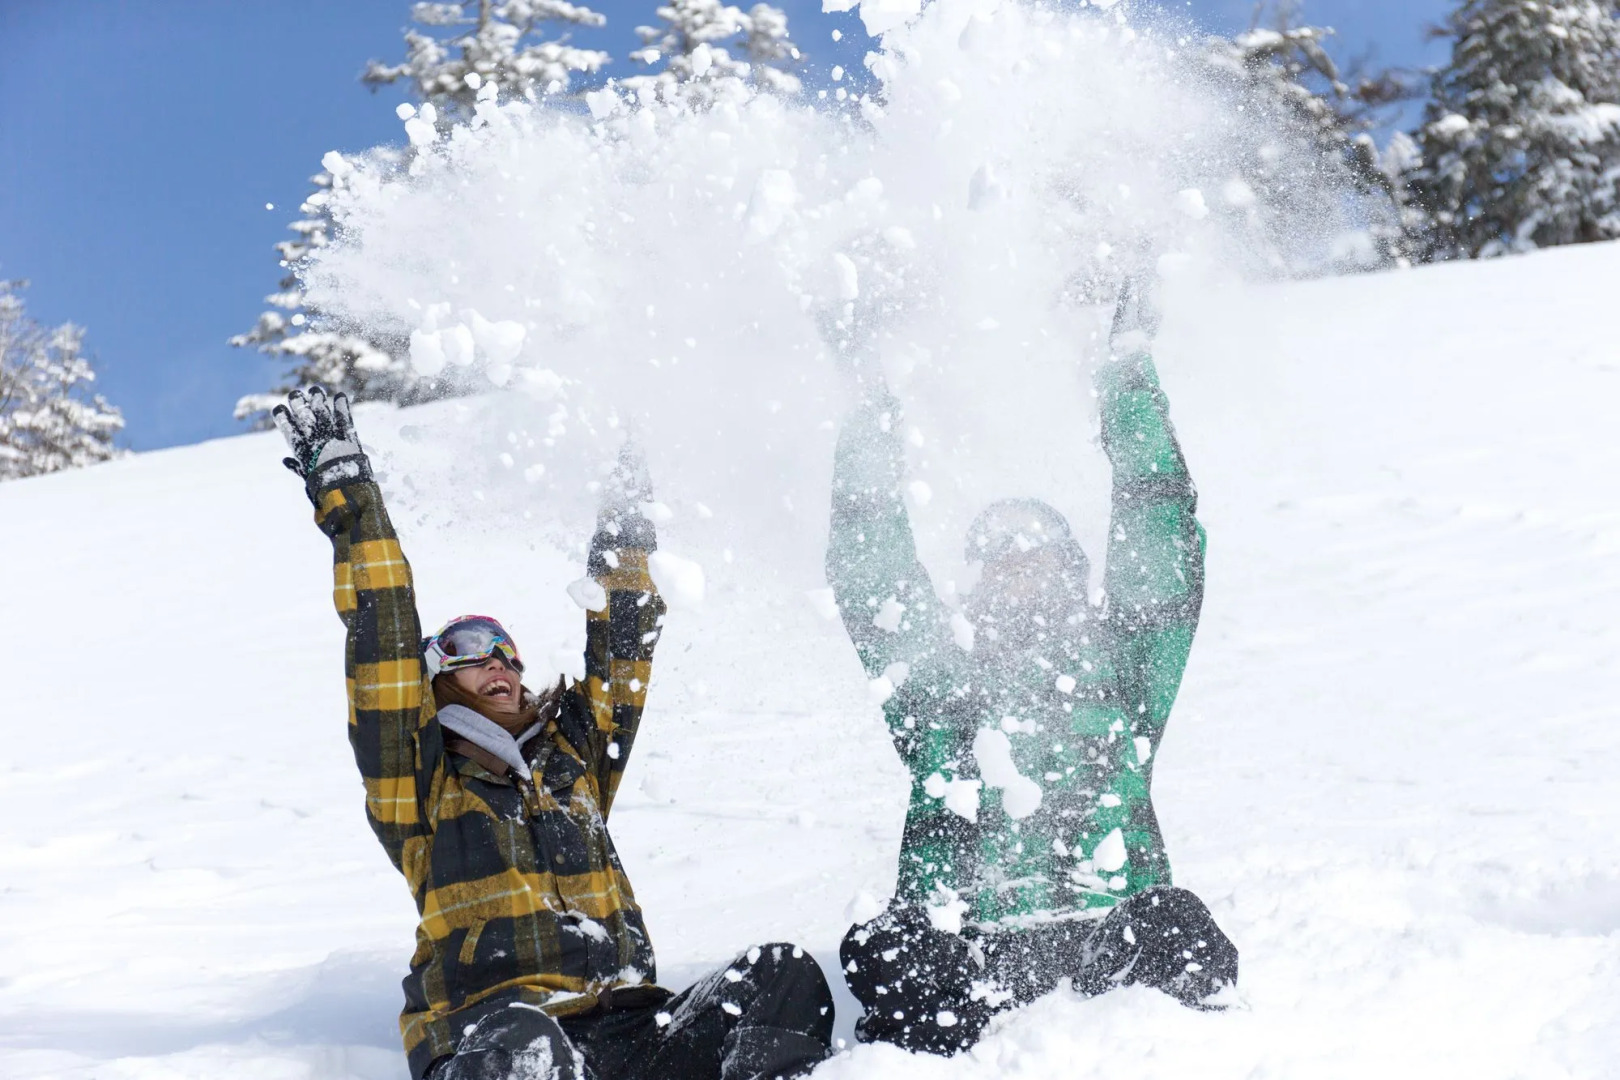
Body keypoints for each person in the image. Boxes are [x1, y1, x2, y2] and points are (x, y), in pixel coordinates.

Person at [273, 388, 834, 1080]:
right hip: (497, 1034)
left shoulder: (574, 760)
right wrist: (347, 492)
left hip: (633, 1026)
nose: (501, 663)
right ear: (435, 680)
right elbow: (382, 640)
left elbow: (624, 636)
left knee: (782, 978)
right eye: (475, 652)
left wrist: (629, 500)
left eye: (508, 652)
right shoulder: (420, 787)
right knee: (527, 1044)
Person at [823, 284, 1238, 1055]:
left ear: (1074, 576)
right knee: (887, 949)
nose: (1024, 578)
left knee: (1180, 927)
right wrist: (866, 391)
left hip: (1107, 940)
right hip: (972, 955)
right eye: (1004, 566)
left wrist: (1126, 376)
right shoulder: (941, 685)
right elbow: (872, 570)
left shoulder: (1124, 673)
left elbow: (1159, 526)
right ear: (975, 592)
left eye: (1041, 562)